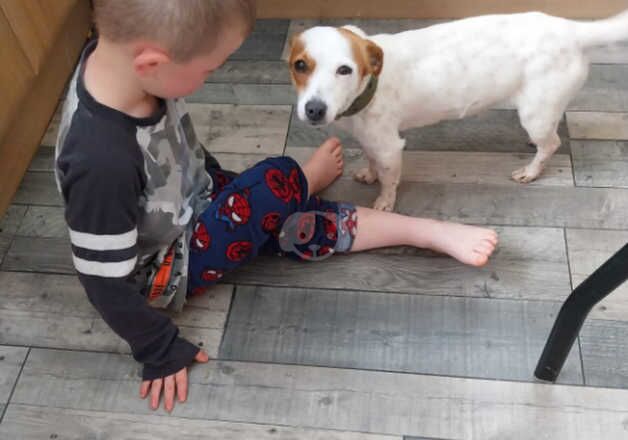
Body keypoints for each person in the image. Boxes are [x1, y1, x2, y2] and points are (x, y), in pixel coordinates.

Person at [55, 0, 498, 413]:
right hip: (169, 265)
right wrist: (158, 349)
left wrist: (215, 183)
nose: (210, 77)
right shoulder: (101, 160)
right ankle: (305, 181)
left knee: (289, 222)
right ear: (152, 62)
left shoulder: (127, 63)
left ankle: (421, 230)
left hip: (191, 198)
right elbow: (102, 279)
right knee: (275, 180)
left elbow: (176, 146)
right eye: (210, 69)